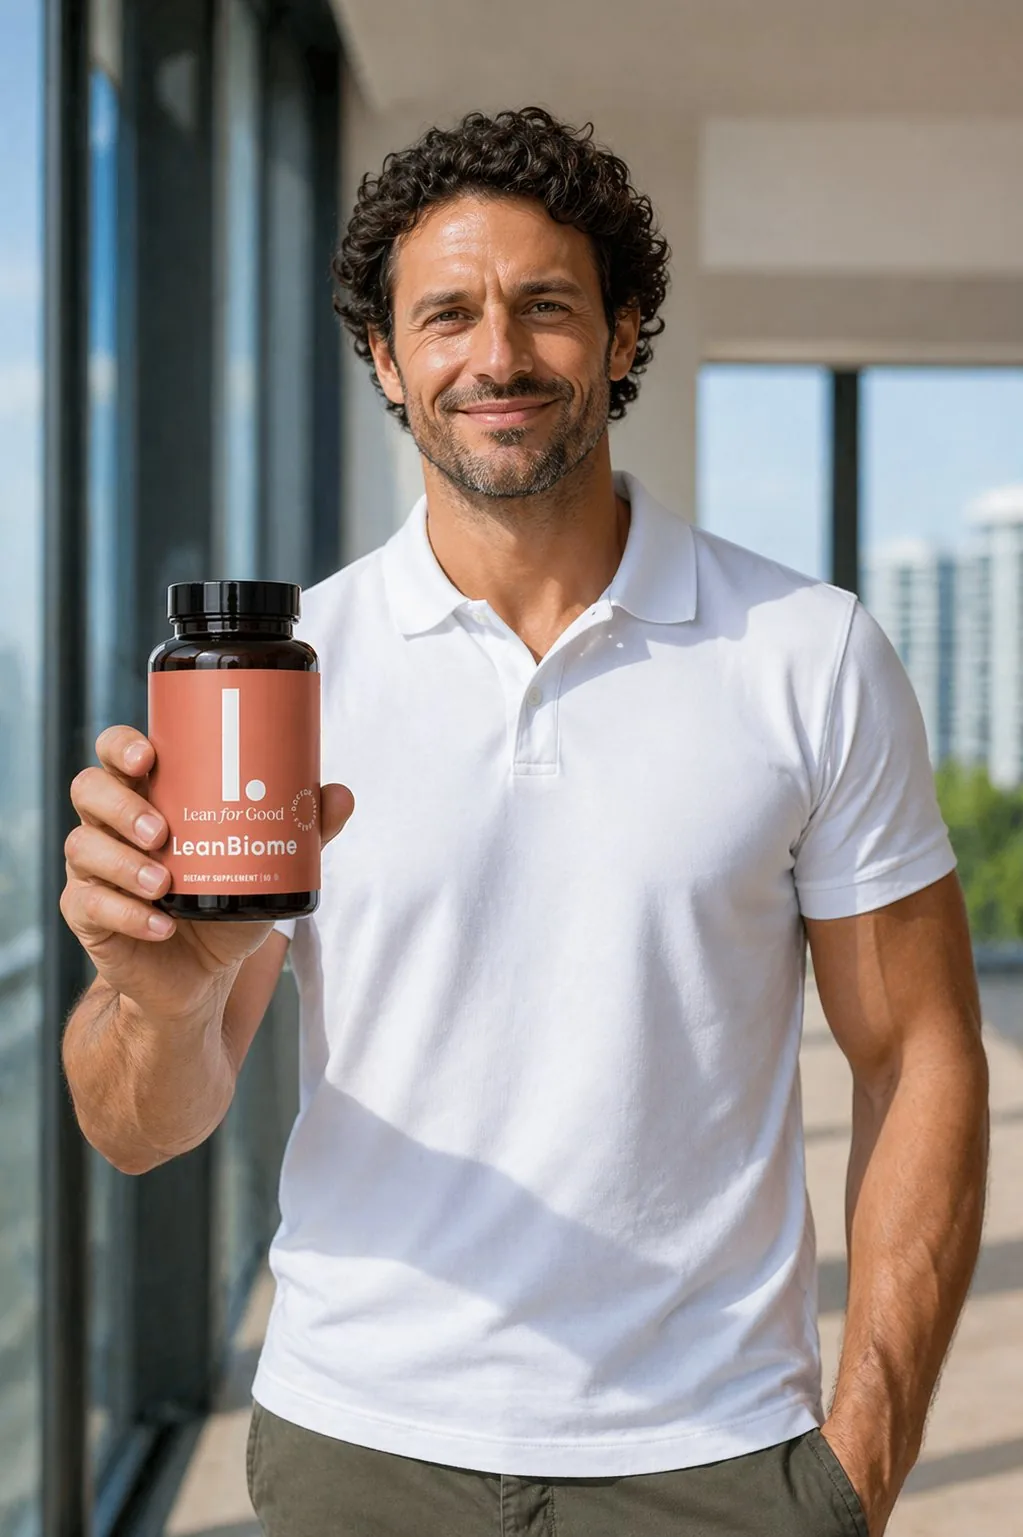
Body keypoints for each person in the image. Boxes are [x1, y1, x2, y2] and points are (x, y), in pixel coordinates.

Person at [61, 108, 989, 1537]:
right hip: (357, 1450)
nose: (495, 355)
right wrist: (159, 1004)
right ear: (385, 359)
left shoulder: (808, 654)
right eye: (445, 315)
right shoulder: (278, 684)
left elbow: (918, 1054)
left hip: (718, 1455)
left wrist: (857, 1463)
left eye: (545, 306)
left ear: (622, 335)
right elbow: (138, 1131)